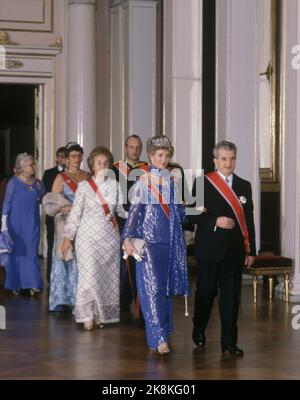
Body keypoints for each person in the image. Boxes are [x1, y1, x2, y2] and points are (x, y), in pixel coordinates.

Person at [123, 136, 189, 355]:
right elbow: (134, 212)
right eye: (160, 155)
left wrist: (182, 206)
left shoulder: (172, 181)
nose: (164, 159)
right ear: (151, 156)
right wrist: (127, 238)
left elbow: (180, 215)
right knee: (151, 290)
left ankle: (165, 329)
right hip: (149, 243)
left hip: (170, 242)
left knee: (166, 289)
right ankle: (158, 338)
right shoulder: (143, 181)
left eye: (167, 155)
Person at [190, 141, 256, 356]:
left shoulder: (244, 185)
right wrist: (214, 221)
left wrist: (251, 250)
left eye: (232, 158)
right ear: (215, 160)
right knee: (206, 294)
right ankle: (199, 328)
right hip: (209, 250)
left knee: (231, 299)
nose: (229, 163)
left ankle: (229, 342)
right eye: (224, 159)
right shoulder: (202, 183)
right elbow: (191, 215)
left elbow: (249, 219)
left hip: (234, 251)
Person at [61, 147, 127, 330]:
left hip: (110, 239)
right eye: (99, 163)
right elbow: (75, 214)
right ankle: (86, 315)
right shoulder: (84, 186)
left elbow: (121, 212)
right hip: (87, 238)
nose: (103, 166)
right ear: (92, 165)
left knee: (105, 279)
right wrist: (68, 237)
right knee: (89, 276)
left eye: (106, 163)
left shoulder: (115, 186)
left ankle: (100, 314)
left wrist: (139, 215)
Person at [44, 142, 89, 312]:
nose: (76, 159)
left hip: (84, 224)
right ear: (66, 159)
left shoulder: (87, 176)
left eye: (79, 155)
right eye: (73, 156)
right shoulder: (61, 178)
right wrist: (70, 208)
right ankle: (62, 299)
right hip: (66, 224)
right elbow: (53, 204)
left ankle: (79, 299)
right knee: (65, 258)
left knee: (82, 260)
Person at [0, 153, 45, 295]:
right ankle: (16, 284)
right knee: (17, 254)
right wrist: (4, 225)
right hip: (15, 225)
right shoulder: (13, 183)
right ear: (22, 167)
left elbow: (41, 198)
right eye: (30, 165)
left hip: (32, 224)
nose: (33, 167)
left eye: (33, 164)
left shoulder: (38, 183)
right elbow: (6, 204)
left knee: (31, 252)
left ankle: (33, 284)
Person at [113, 135, 147, 319]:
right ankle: (123, 298)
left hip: (141, 221)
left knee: (135, 261)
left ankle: (134, 301)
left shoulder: (146, 169)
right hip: (121, 220)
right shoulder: (115, 169)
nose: (134, 150)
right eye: (131, 147)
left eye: (137, 147)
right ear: (126, 147)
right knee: (122, 262)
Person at [42, 147, 66, 283]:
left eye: (65, 156)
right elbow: (45, 195)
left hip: (68, 217)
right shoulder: (49, 173)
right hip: (53, 216)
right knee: (52, 245)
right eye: (61, 156)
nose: (63, 159)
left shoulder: (72, 174)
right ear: (57, 157)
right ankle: (51, 279)